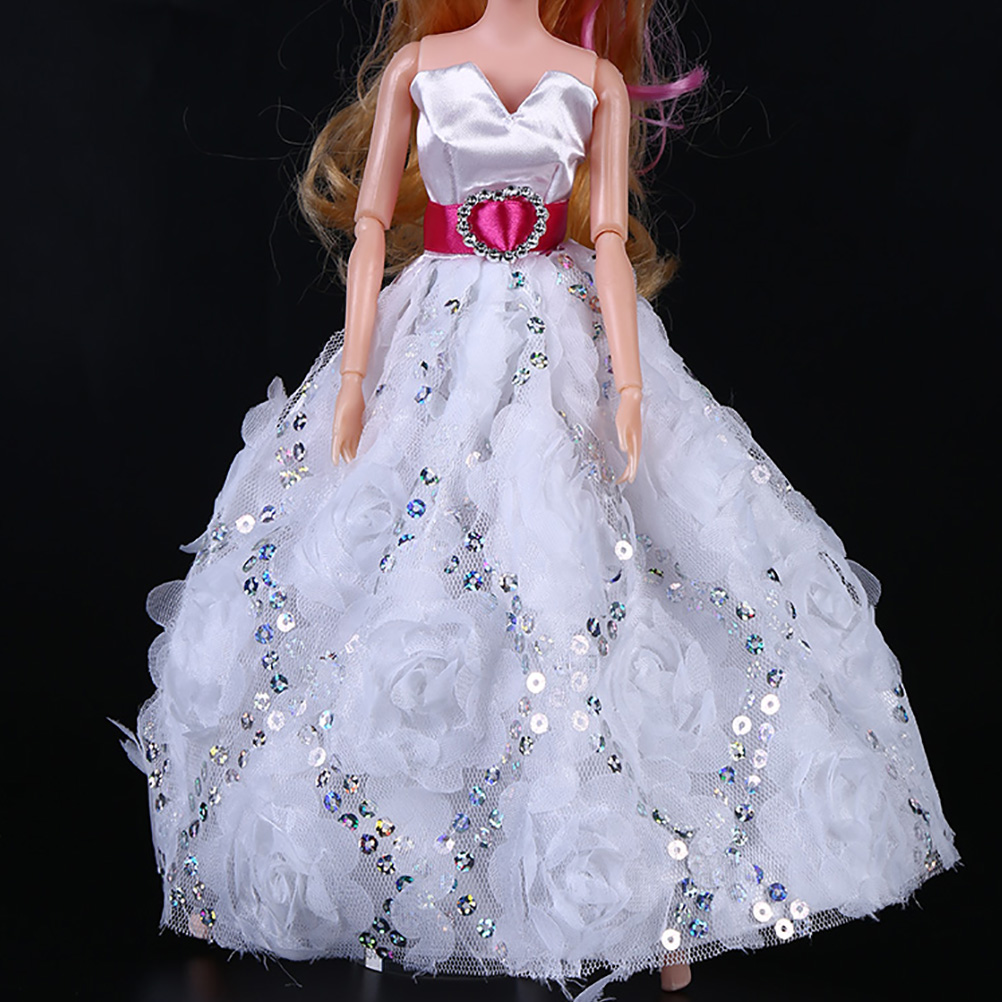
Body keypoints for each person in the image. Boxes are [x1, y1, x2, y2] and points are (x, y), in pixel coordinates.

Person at [118, 2, 959, 1000]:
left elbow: (605, 236)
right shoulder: (421, 66)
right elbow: (375, 223)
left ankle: (666, 899)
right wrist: (351, 380)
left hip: (557, 330)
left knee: (583, 576)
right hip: (437, 326)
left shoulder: (593, 80)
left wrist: (632, 386)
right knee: (414, 572)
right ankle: (332, 875)